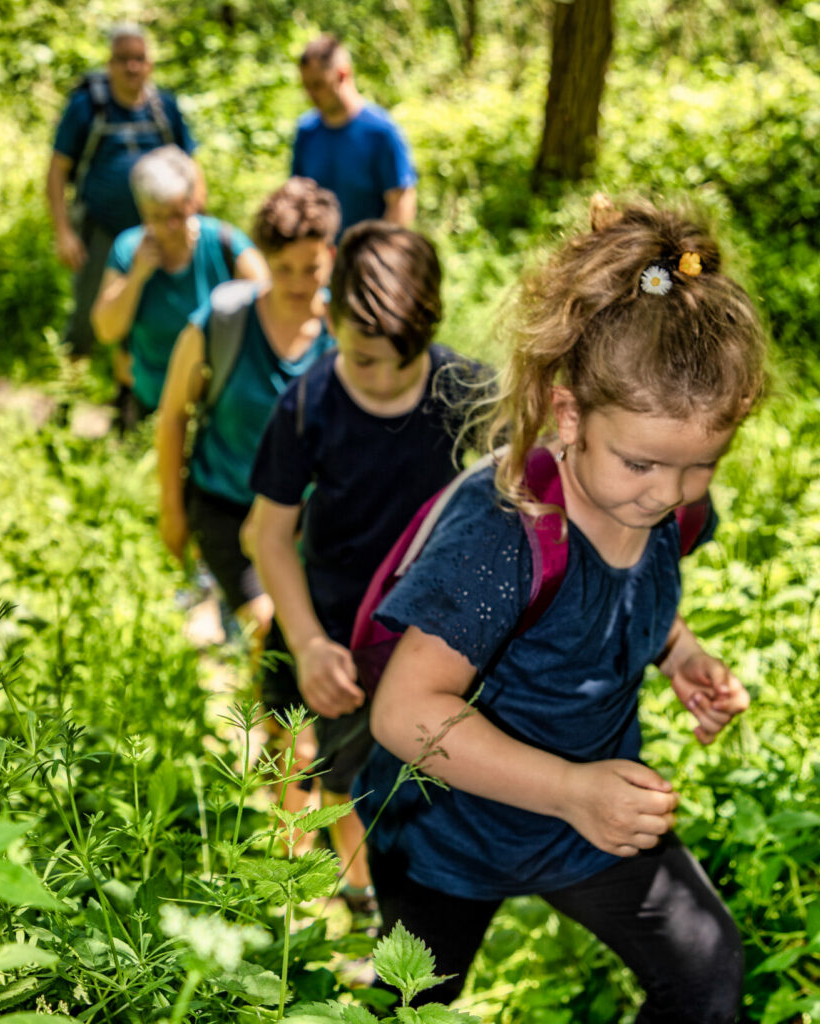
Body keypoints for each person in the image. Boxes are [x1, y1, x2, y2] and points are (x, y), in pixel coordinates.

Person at [357, 197, 768, 1019]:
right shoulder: (501, 538)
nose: (670, 495)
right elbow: (404, 714)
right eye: (643, 464)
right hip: (446, 839)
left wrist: (680, 655)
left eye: (700, 468)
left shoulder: (671, 506)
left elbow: (625, 607)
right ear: (571, 410)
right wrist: (570, 790)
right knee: (411, 1006)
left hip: (587, 825)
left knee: (706, 973)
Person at [245, 221, 484, 905]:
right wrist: (308, 642)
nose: (376, 380)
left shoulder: (466, 392)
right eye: (361, 357)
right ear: (333, 316)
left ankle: (375, 898)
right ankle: (324, 891)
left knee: (383, 777)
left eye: (395, 364)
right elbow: (266, 535)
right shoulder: (309, 405)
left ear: (429, 329)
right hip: (328, 624)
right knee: (313, 766)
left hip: (421, 635)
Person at [155, 177, 339, 637]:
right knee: (266, 628)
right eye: (283, 268)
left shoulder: (347, 335)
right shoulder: (224, 319)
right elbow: (174, 414)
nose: (298, 283)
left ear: (331, 258)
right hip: (225, 503)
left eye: (310, 268)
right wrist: (172, 511)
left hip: (306, 523)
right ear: (263, 260)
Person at [47, 24, 198, 357]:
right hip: (100, 230)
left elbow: (191, 166)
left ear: (150, 64)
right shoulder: (87, 107)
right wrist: (63, 232)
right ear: (110, 64)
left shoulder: (165, 108)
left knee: (146, 309)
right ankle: (68, 392)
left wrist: (194, 215)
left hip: (157, 231)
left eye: (139, 58)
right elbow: (57, 171)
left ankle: (128, 398)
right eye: (123, 59)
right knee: (89, 312)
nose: (132, 67)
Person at [91, 146, 268, 427]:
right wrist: (137, 276)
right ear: (142, 212)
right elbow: (106, 330)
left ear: (192, 201)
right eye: (157, 217)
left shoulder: (224, 243)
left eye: (178, 213)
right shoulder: (128, 248)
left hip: (215, 407)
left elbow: (269, 304)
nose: (170, 226)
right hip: (151, 405)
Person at [292, 35, 418, 235]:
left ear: (342, 75)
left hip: (368, 259)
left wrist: (377, 257)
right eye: (306, 86)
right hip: (320, 260)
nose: (310, 94)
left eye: (318, 85)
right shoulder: (306, 132)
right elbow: (297, 198)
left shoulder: (381, 132)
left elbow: (401, 202)